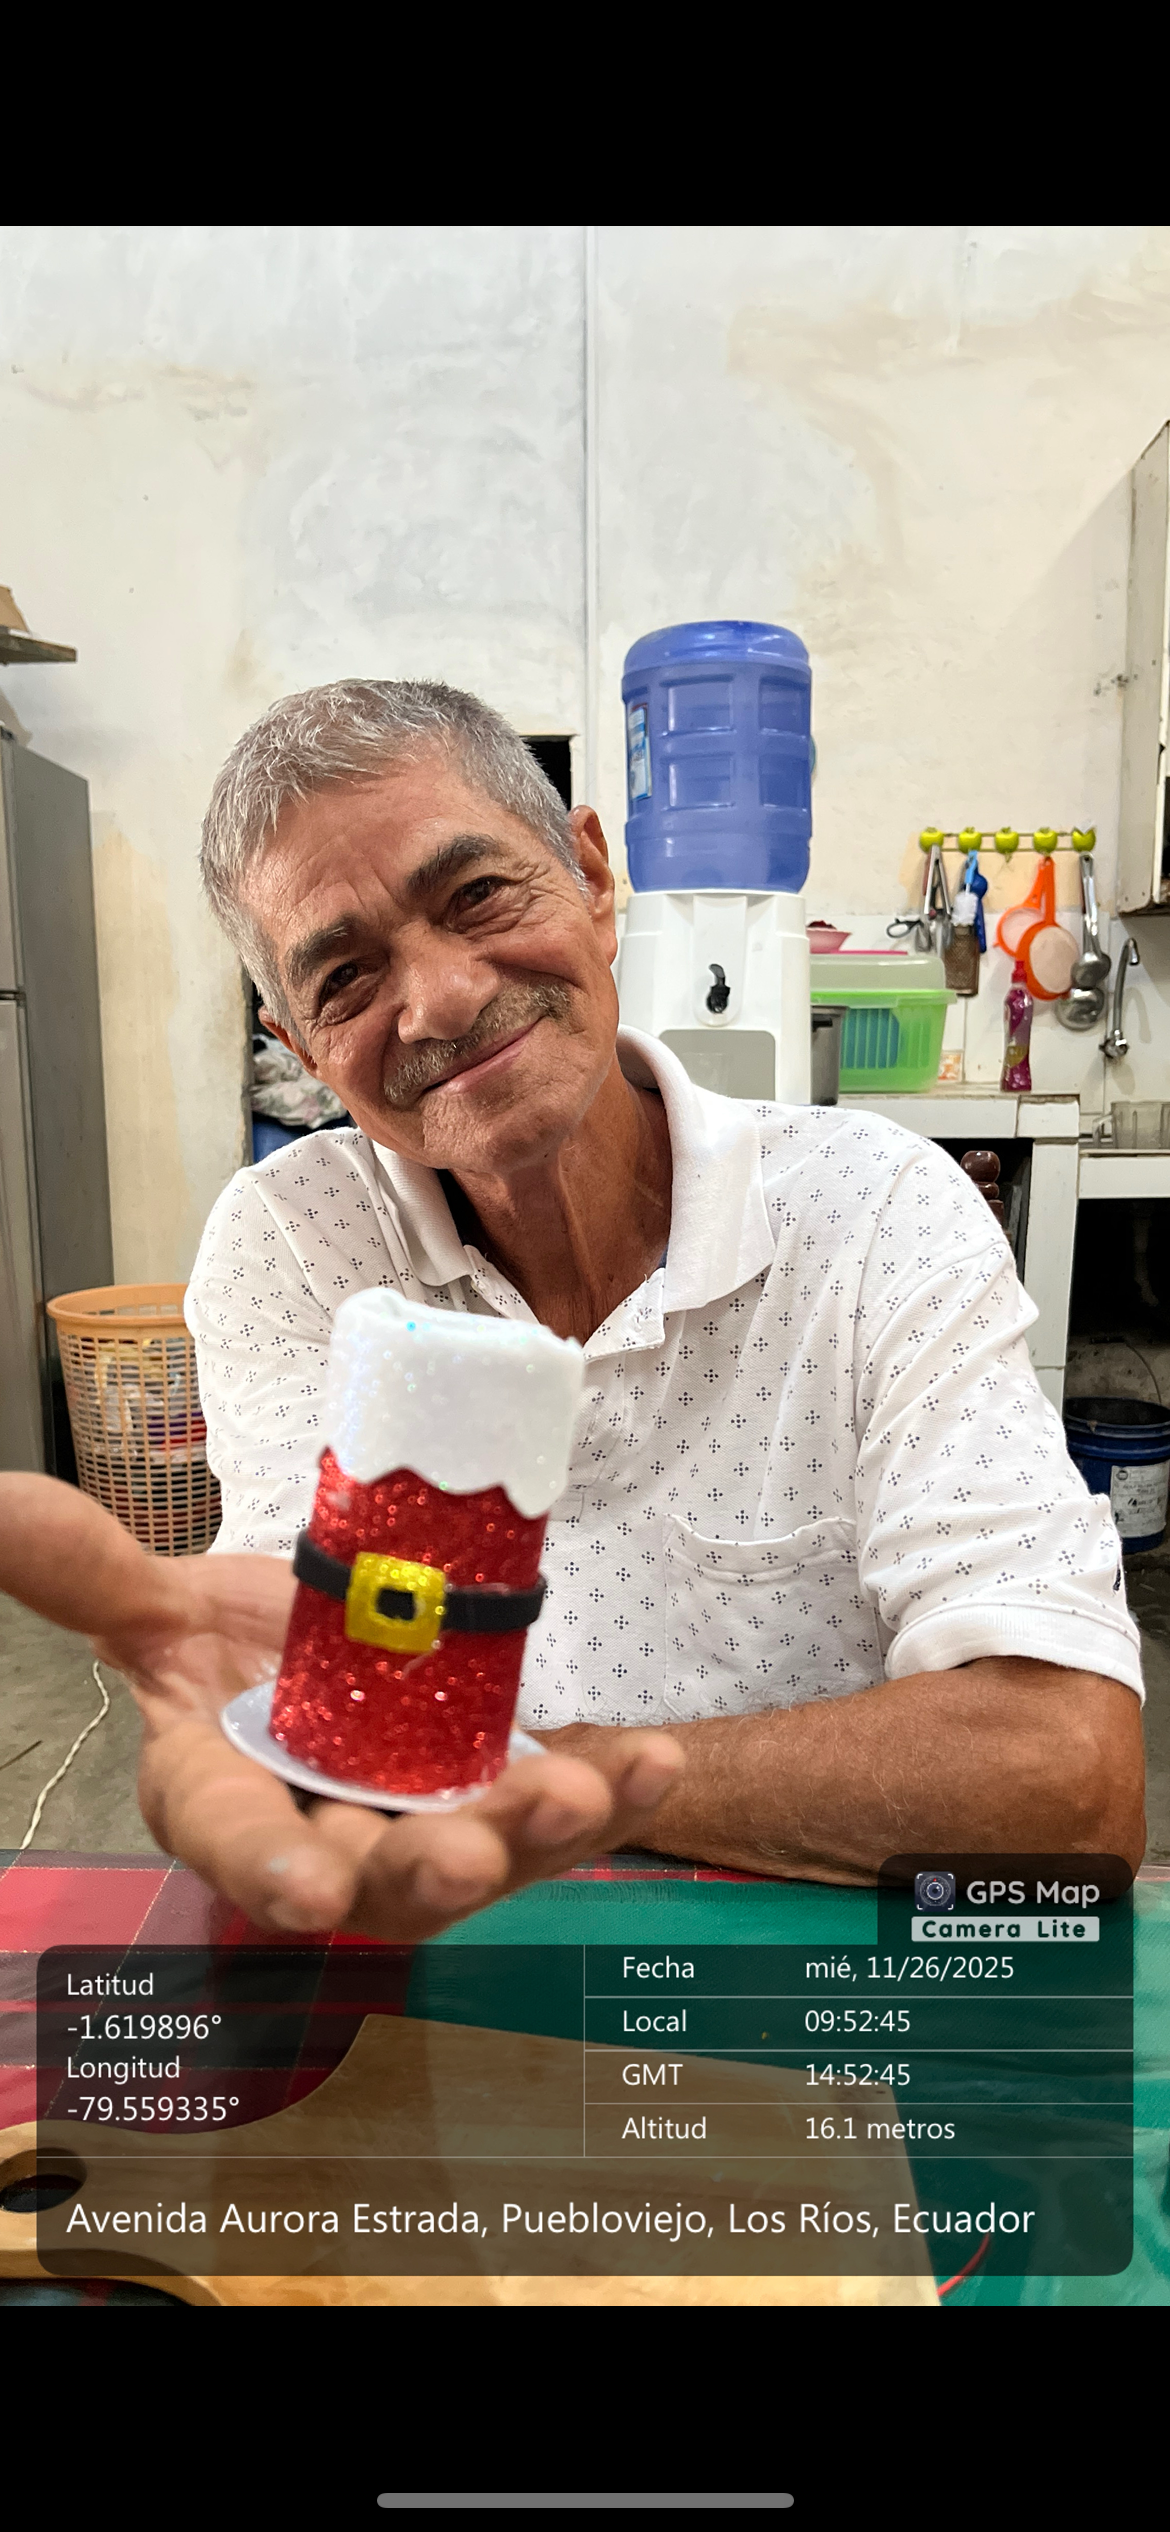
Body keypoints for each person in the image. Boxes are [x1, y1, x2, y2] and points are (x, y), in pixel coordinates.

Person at [172, 678, 1144, 1900]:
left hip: (809, 1975)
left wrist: (551, 1775)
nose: (444, 1000)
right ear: (301, 1047)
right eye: (347, 978)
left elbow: (1064, 1781)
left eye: (477, 896)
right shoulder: (299, 1243)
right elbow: (316, 1718)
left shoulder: (874, 1212)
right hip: (474, 1940)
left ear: (590, 877)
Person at [0, 1473, 681, 1936]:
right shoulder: (296, 1291)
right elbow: (301, 1519)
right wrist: (287, 1655)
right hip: (287, 1873)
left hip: (675, 1892)